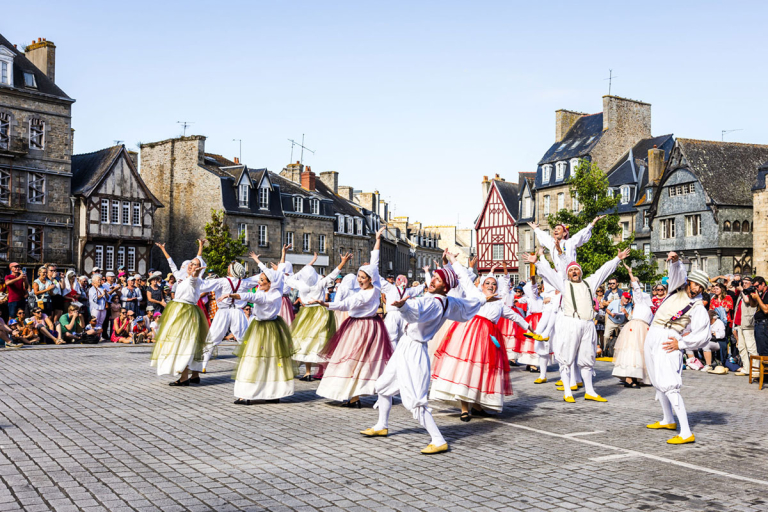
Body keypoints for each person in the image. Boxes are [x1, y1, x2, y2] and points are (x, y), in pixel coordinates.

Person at [363, 249, 484, 455]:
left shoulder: (434, 302)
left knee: (414, 399)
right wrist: (452, 263)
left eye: (437, 280)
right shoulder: (449, 301)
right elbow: (475, 297)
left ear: (445, 286)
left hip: (414, 351)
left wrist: (403, 307)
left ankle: (438, 439)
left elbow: (415, 312)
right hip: (406, 347)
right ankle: (381, 425)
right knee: (383, 386)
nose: (432, 281)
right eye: (433, 277)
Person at [523, 246, 630, 403]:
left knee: (587, 358)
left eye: (576, 269)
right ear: (568, 273)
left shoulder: (589, 283)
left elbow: (603, 271)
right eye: (571, 270)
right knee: (566, 358)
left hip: (587, 325)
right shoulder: (564, 284)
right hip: (571, 324)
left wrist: (617, 259)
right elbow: (550, 274)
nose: (574, 272)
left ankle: (590, 391)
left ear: (580, 272)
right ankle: (567, 391)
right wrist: (537, 263)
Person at [430, 266, 529, 420]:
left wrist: (530, 329)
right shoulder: (475, 294)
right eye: (488, 283)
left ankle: (477, 405)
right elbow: (464, 278)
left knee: (480, 372)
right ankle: (464, 408)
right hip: (469, 336)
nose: (491, 286)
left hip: (488, 340)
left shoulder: (500, 304)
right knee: (466, 368)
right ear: (482, 285)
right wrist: (453, 261)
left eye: (494, 284)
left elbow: (516, 317)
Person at [644, 252, 711, 445]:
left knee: (669, 384)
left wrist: (680, 344)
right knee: (657, 380)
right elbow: (675, 272)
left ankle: (686, 432)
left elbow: (704, 335)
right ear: (689, 282)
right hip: (654, 333)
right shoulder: (676, 289)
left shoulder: (697, 306)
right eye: (695, 284)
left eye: (700, 287)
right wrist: (674, 261)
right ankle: (668, 420)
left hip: (669, 337)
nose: (696, 288)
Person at [313, 234, 388, 406]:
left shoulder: (364, 294)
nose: (359, 280)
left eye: (363, 278)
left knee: (352, 358)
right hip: (372, 326)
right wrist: (377, 241)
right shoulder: (376, 287)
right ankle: (355, 395)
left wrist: (325, 303)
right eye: (359, 277)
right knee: (361, 359)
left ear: (370, 279)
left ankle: (354, 396)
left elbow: (345, 304)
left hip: (360, 327)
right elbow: (374, 262)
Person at [220, 257, 294, 405]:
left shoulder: (263, 295)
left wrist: (231, 295)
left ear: (270, 283)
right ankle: (273, 394)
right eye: (259, 280)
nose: (259, 283)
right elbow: (277, 276)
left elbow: (249, 296)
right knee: (272, 361)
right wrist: (266, 263)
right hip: (274, 328)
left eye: (261, 280)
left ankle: (246, 394)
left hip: (260, 329)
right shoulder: (279, 291)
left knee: (252, 360)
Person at [150, 242, 209, 385]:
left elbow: (195, 275)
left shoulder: (195, 280)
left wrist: (196, 271)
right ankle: (194, 375)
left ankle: (184, 378)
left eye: (194, 264)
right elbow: (172, 264)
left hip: (186, 314)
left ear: (199, 269)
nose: (190, 265)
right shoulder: (182, 278)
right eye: (190, 264)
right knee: (192, 343)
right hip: (183, 312)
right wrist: (164, 249)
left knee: (183, 342)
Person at [286, 252, 343, 381]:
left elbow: (289, 278)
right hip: (320, 313)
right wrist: (342, 263)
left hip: (306, 313)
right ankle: (322, 371)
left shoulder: (301, 284)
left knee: (306, 341)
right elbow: (332, 275)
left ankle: (307, 372)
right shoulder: (320, 283)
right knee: (320, 341)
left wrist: (308, 265)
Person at [612, 263, 653, 387]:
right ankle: (629, 377)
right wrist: (630, 273)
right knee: (631, 350)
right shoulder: (640, 301)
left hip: (645, 329)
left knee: (641, 353)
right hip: (635, 327)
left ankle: (637, 376)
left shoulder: (650, 310)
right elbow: (636, 287)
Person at [381, 271, 426, 347]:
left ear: (397, 281)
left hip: (392, 314)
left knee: (391, 336)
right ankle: (400, 353)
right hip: (403, 314)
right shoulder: (408, 291)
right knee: (402, 336)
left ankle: (392, 354)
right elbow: (418, 289)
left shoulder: (390, 288)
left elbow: (380, 280)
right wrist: (424, 284)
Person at [733, 277, 757, 375]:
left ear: (751, 283)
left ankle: (755, 369)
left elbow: (747, 301)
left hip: (748, 323)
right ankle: (746, 368)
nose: (744, 285)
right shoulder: (742, 292)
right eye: (742, 283)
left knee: (751, 347)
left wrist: (742, 290)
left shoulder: (752, 292)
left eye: (746, 283)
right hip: (739, 323)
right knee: (742, 347)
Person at [604, 292, 633, 356]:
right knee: (606, 336)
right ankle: (604, 350)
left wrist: (625, 312)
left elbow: (629, 318)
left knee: (624, 336)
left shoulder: (629, 305)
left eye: (628, 299)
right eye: (626, 298)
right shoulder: (615, 302)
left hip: (621, 323)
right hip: (612, 321)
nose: (627, 300)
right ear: (622, 297)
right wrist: (611, 314)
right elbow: (607, 309)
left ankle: (621, 351)